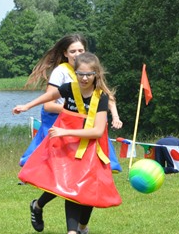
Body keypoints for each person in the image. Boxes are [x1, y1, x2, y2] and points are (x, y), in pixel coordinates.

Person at [14, 52, 122, 234]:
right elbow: (50, 96)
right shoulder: (69, 88)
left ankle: (82, 228)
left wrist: (66, 131)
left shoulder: (101, 97)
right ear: (75, 73)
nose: (84, 78)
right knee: (68, 186)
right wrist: (26, 106)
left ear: (96, 74)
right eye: (80, 74)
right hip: (66, 146)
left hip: (90, 148)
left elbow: (98, 131)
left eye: (89, 74)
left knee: (87, 191)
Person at [15, 34, 123, 170]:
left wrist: (115, 117)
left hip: (86, 125)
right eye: (73, 51)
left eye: (80, 51)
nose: (77, 55)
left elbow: (106, 95)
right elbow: (48, 103)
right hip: (63, 123)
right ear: (65, 53)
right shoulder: (61, 73)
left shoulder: (91, 71)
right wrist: (27, 106)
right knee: (55, 164)